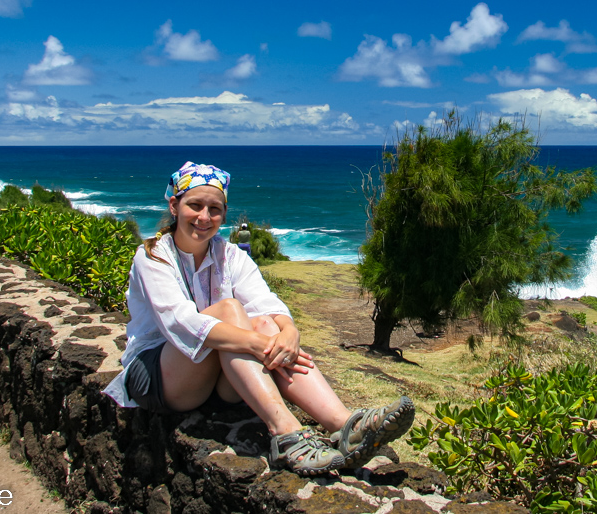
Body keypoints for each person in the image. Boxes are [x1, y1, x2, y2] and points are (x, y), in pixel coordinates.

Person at [104, 161, 414, 476]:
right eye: (194, 205)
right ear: (174, 205)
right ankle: (285, 433)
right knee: (231, 311)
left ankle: (344, 425)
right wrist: (259, 342)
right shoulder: (153, 255)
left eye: (214, 209)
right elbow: (178, 321)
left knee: (267, 322)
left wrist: (289, 331)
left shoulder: (230, 255)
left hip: (215, 384)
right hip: (160, 377)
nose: (204, 217)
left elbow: (265, 301)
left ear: (223, 214)